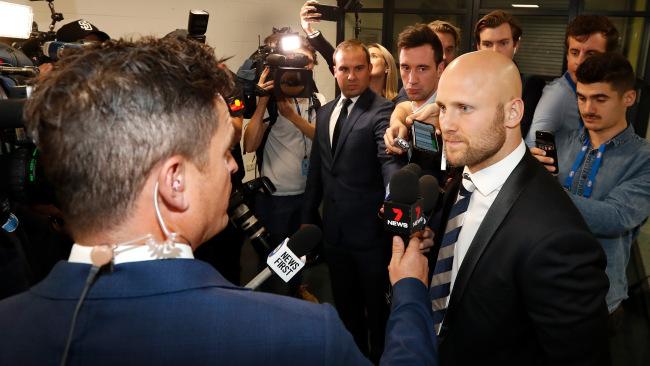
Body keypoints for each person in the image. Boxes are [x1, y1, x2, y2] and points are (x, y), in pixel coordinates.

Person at [0, 37, 436, 365]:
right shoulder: (304, 337)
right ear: (175, 182)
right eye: (222, 152)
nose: (233, 167)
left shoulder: (11, 330)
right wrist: (410, 292)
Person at [428, 50, 609, 364]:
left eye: (464, 108)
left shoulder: (557, 236)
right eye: (443, 107)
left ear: (513, 113)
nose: (446, 124)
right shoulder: (467, 174)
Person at [301, 39, 404, 362]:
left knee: (378, 312)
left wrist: (395, 201)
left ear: (369, 69)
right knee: (345, 310)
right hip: (334, 235)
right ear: (334, 71)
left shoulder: (382, 111)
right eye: (344, 69)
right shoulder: (327, 111)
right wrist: (308, 218)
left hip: (370, 237)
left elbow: (388, 160)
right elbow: (317, 170)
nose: (352, 75)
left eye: (359, 68)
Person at [531, 53, 650, 331]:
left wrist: (546, 191)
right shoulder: (560, 142)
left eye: (600, 98)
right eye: (582, 97)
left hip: (598, 300)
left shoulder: (643, 159)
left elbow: (616, 217)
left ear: (628, 98)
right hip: (543, 287)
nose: (588, 108)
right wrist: (530, 175)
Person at [525, 15, 619, 147]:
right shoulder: (558, 95)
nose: (579, 62)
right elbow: (533, 147)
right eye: (574, 52)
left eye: (591, 54)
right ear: (567, 55)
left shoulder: (615, 91)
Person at [383, 24, 446, 181]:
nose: (411, 80)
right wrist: (397, 121)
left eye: (422, 68)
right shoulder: (406, 104)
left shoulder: (452, 112)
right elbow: (405, 106)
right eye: (405, 67)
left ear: (440, 69)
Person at [473, 10, 546, 137]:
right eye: (487, 44)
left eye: (503, 43)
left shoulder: (530, 85)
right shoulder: (467, 84)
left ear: (516, 44)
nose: (495, 51)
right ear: (479, 47)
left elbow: (517, 134)